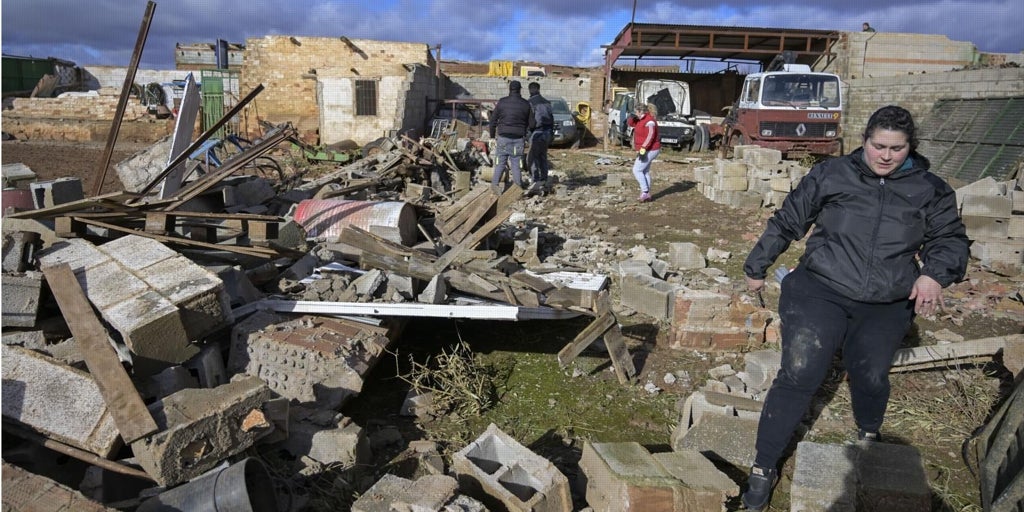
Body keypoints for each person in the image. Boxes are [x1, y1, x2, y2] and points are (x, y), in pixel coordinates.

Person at [740, 105, 970, 511]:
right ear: (864, 141)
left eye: (896, 149)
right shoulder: (832, 175)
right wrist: (757, 266)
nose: (885, 156)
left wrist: (934, 275)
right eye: (878, 146)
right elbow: (789, 220)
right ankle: (762, 468)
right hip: (820, 288)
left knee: (871, 374)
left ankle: (868, 434)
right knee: (801, 371)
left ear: (909, 148)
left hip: (886, 299)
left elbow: (950, 238)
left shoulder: (929, 188)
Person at [489, 80, 532, 190]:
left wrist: (492, 137)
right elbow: (532, 123)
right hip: (518, 140)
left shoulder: (502, 102)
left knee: (500, 163)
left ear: (509, 89)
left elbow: (493, 120)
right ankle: (517, 189)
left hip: (503, 139)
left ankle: (495, 186)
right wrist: (526, 134)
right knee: (516, 164)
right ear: (520, 89)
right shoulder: (525, 104)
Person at [626, 102, 660, 202]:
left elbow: (650, 135)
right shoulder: (640, 119)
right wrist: (632, 117)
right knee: (644, 171)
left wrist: (644, 148)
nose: (635, 113)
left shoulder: (649, 121)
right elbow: (630, 123)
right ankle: (646, 194)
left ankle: (645, 192)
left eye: (636, 112)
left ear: (641, 111)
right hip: (647, 149)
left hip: (651, 149)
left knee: (636, 170)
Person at [526, 82, 554, 195]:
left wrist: (527, 133)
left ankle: (535, 180)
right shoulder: (547, 102)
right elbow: (552, 119)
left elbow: (531, 121)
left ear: (529, 90)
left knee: (532, 157)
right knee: (543, 156)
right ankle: (544, 178)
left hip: (536, 132)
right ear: (539, 89)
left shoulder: (530, 103)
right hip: (547, 132)